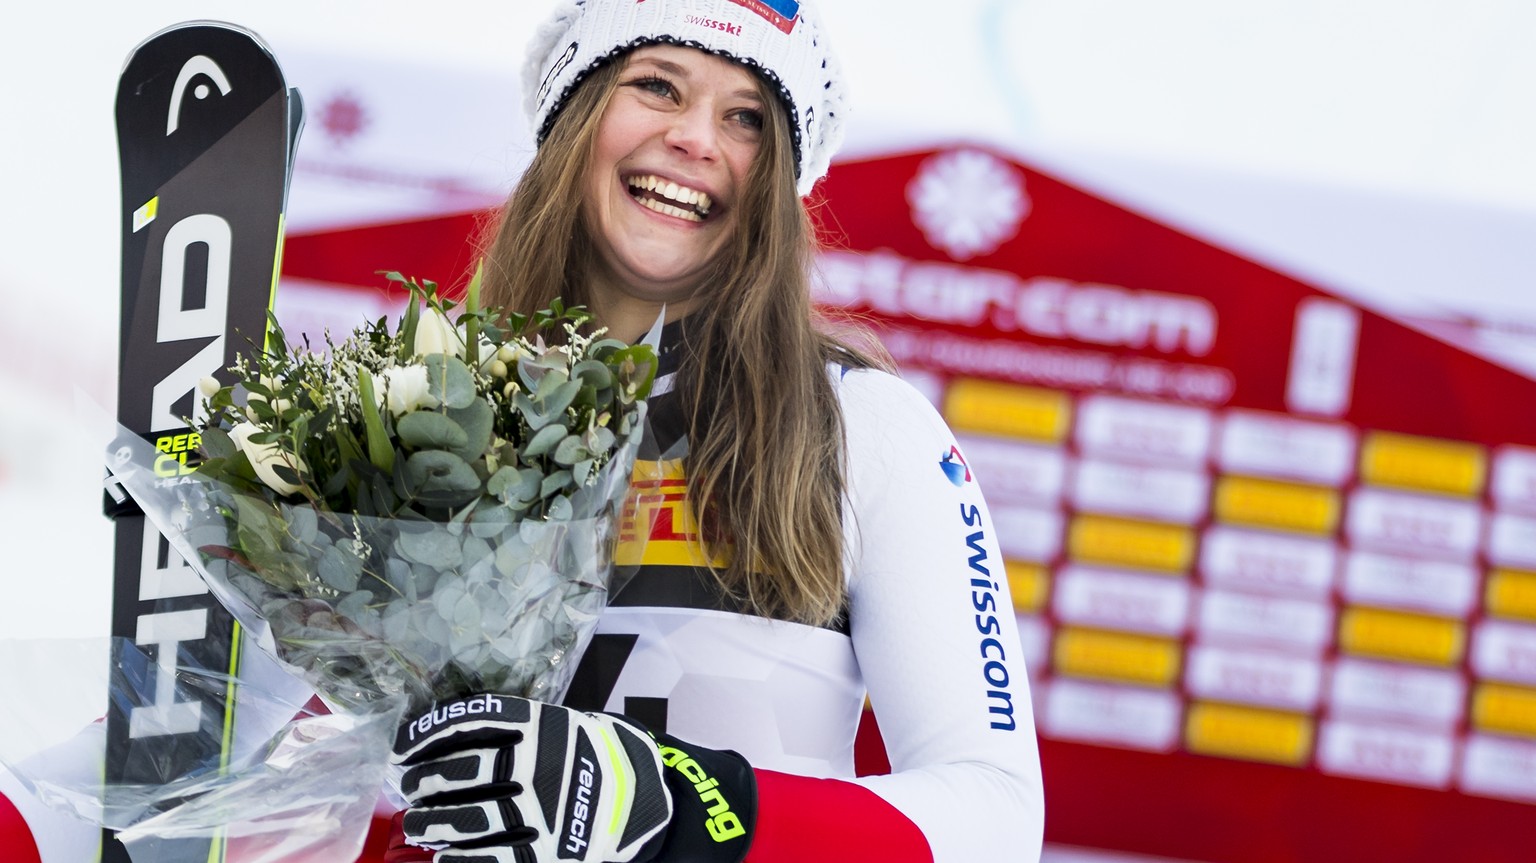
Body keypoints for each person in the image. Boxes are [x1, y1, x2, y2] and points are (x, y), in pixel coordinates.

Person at [384, 1, 1045, 861]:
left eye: (746, 118)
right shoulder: (415, 410)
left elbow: (995, 818)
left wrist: (658, 800)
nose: (697, 138)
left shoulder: (856, 425)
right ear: (571, 116)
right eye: (657, 86)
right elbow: (257, 747)